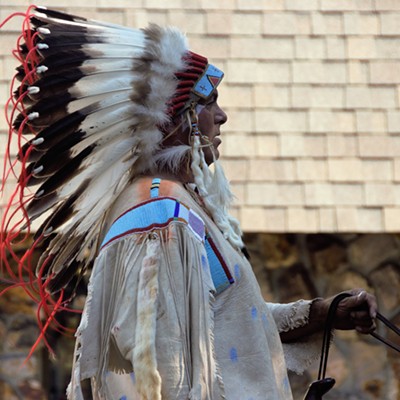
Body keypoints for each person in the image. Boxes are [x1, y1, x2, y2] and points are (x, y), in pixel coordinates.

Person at [0, 7, 377, 400]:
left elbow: (231, 322)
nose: (222, 116)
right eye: (209, 101)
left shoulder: (178, 206)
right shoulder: (159, 215)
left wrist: (323, 313)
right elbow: (155, 371)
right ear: (179, 117)